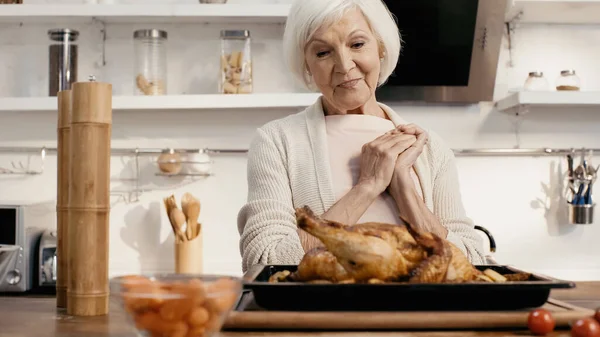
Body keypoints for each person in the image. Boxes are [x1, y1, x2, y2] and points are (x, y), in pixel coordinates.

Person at [237, 0, 486, 273]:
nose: (344, 65)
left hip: (417, 314)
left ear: (380, 47)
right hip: (325, 314)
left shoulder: (431, 148)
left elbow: (472, 263)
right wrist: (368, 186)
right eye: (322, 52)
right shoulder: (277, 141)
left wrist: (404, 190)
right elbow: (264, 260)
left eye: (357, 45)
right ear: (306, 64)